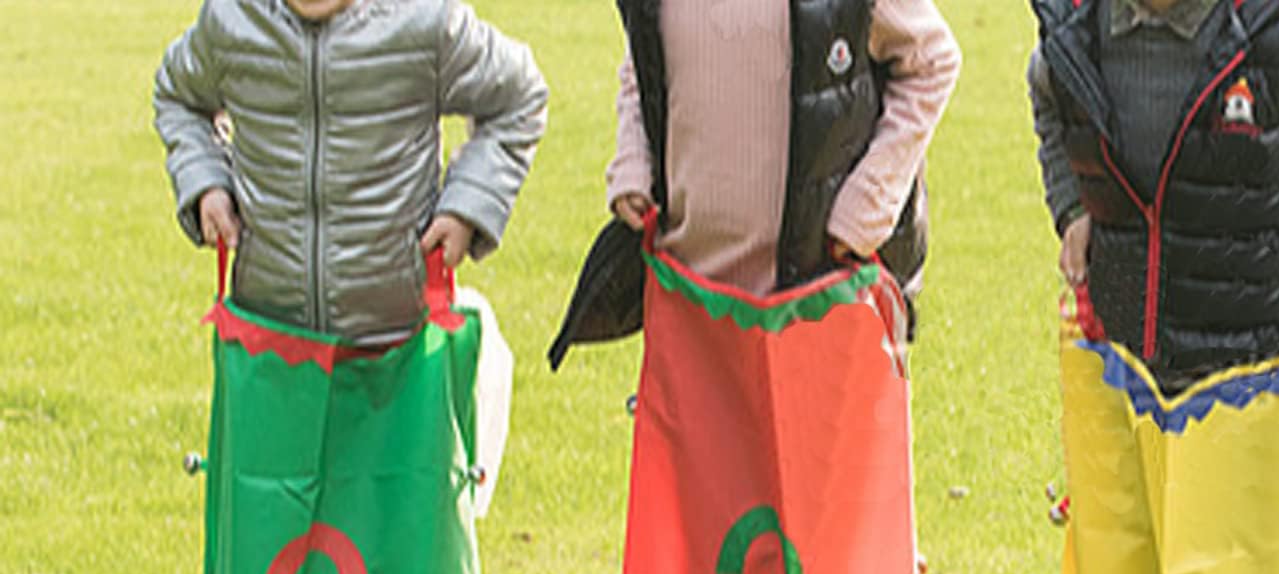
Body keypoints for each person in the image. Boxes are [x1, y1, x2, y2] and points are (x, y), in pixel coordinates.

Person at [1026, 0, 1279, 389]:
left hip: (1263, 366)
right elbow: (1048, 95)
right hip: (1124, 364)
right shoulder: (1076, 33)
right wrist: (1071, 204)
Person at [550, 0, 961, 364]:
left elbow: (931, 62)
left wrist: (866, 207)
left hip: (818, 294)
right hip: (688, 296)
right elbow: (643, 61)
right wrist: (633, 163)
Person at [154, 0, 548, 343]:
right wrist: (207, 181)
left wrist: (467, 206)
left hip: (397, 336)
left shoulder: (427, 22)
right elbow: (179, 97)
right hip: (269, 334)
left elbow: (519, 97)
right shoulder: (231, 19)